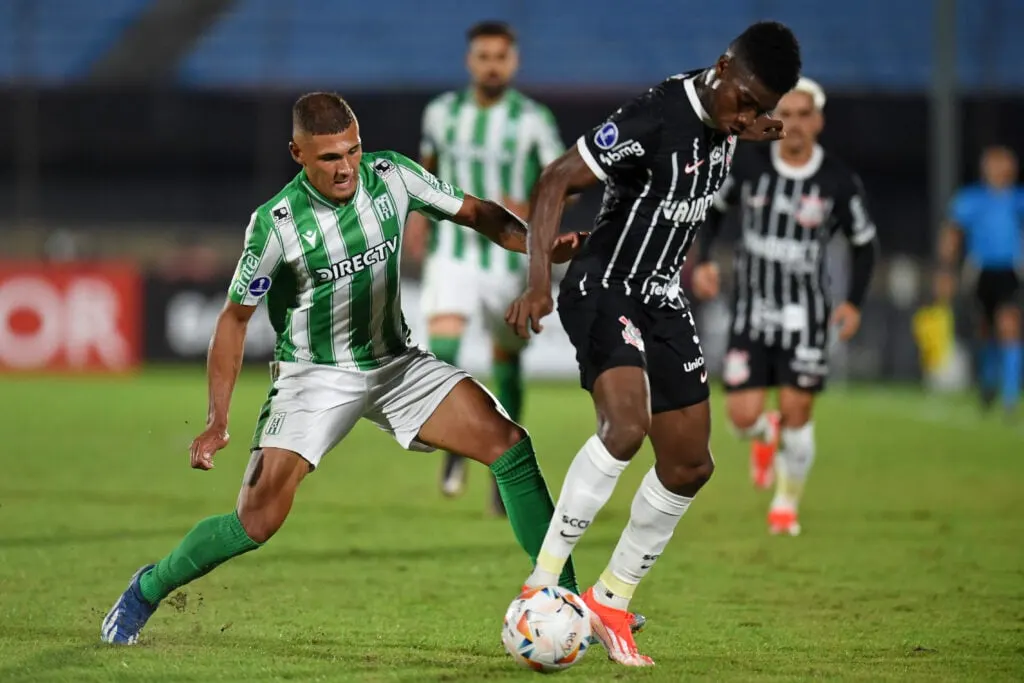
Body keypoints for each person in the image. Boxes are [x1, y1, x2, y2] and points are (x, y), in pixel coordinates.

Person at [100, 92, 588, 645]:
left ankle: (564, 599)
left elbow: (478, 213)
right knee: (254, 523)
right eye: (329, 157)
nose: (346, 167)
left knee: (509, 444)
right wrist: (217, 419)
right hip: (314, 376)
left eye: (352, 151)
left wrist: (540, 246)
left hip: (394, 363)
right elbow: (234, 321)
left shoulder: (394, 176)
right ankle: (147, 589)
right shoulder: (276, 225)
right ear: (297, 154)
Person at [505, 21, 802, 667]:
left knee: (692, 464)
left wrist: (747, 124)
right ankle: (543, 580)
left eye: (761, 108)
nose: (747, 114)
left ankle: (611, 597)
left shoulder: (731, 120)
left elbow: (724, 130)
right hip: (604, 286)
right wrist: (537, 283)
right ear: (722, 66)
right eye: (744, 99)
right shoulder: (656, 113)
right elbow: (556, 180)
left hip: (662, 297)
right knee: (626, 427)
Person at [691, 77, 879, 536]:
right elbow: (712, 212)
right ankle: (763, 435)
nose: (793, 124)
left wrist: (853, 303)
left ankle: (785, 505)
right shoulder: (750, 166)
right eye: (785, 114)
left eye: (802, 115)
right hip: (750, 313)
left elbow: (864, 244)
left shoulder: (838, 180)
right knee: (740, 419)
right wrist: (704, 262)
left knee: (799, 412)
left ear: (818, 120)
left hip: (807, 317)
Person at [406, 21, 566, 514]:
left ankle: (503, 464)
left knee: (506, 357)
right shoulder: (441, 113)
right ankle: (456, 442)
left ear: (512, 63)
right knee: (445, 342)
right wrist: (416, 219)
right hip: (453, 248)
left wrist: (530, 203)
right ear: (469, 61)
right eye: (484, 56)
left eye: (500, 56)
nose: (492, 64)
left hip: (507, 256)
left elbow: (561, 180)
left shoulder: (533, 119)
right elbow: (425, 168)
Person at [936, 145, 1023, 417]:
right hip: (981, 271)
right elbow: (952, 234)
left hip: (1011, 270)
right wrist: (946, 270)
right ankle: (988, 382)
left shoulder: (1018, 199)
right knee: (985, 329)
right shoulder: (971, 199)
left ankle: (1010, 396)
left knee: (1010, 326)